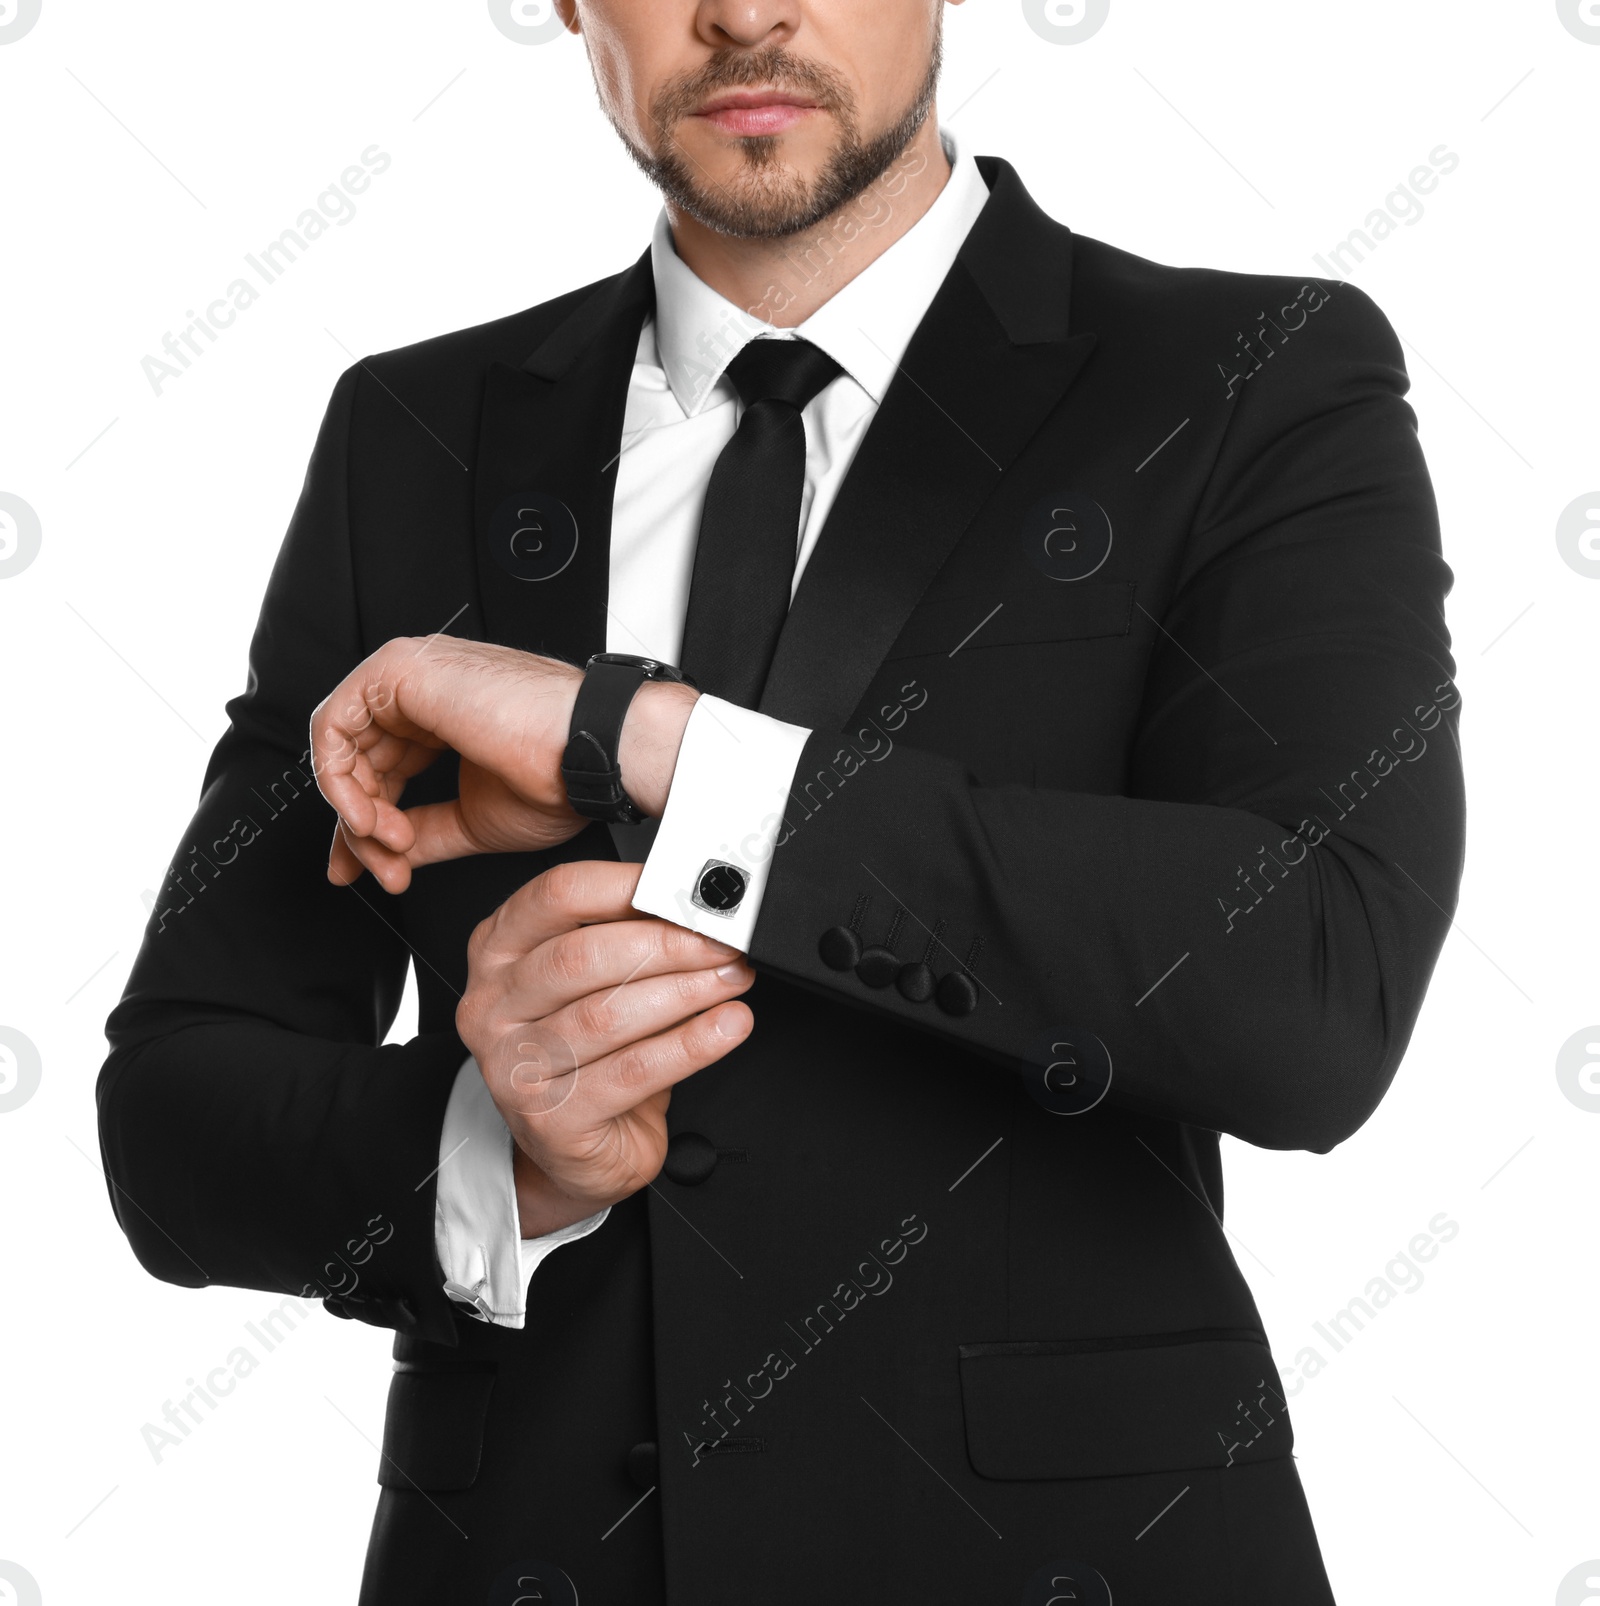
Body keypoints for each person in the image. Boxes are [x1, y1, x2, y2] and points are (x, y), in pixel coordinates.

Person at [97, 2, 1465, 1601]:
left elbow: (1315, 982)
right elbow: (175, 1112)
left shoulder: (1252, 374)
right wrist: (497, 1149)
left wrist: (649, 743)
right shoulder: (413, 435)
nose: (746, 10)